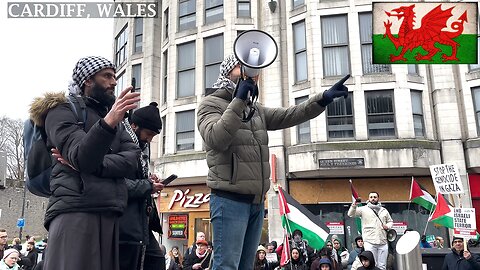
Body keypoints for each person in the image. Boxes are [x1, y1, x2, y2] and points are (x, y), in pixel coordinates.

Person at [197, 54, 349, 270]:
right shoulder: (210, 104)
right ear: (228, 71)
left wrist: (322, 99)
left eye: (255, 71)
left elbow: (289, 115)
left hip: (256, 203)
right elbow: (216, 138)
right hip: (229, 200)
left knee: (245, 267)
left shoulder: (255, 109)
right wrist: (238, 101)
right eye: (244, 69)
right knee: (226, 266)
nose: (252, 75)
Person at [36, 56, 141, 270]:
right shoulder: (61, 110)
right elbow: (83, 157)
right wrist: (109, 122)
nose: (113, 82)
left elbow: (132, 160)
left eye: (114, 76)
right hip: (75, 213)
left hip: (110, 214)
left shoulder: (115, 119)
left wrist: (95, 165)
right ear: (88, 81)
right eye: (107, 76)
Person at [118, 102, 165, 270]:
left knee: (156, 260)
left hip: (139, 221)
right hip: (124, 223)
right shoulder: (120, 142)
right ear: (134, 125)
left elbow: (136, 178)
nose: (150, 139)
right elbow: (116, 185)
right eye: (149, 134)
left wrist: (148, 180)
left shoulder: (142, 146)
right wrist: (147, 185)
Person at [348, 192, 393, 270]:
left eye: (375, 197)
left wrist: (388, 226)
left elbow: (390, 221)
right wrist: (354, 205)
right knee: (371, 264)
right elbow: (351, 214)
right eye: (371, 197)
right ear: (368, 199)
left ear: (378, 198)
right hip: (369, 241)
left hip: (383, 241)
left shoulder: (384, 210)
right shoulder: (363, 209)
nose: (373, 198)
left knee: (382, 265)